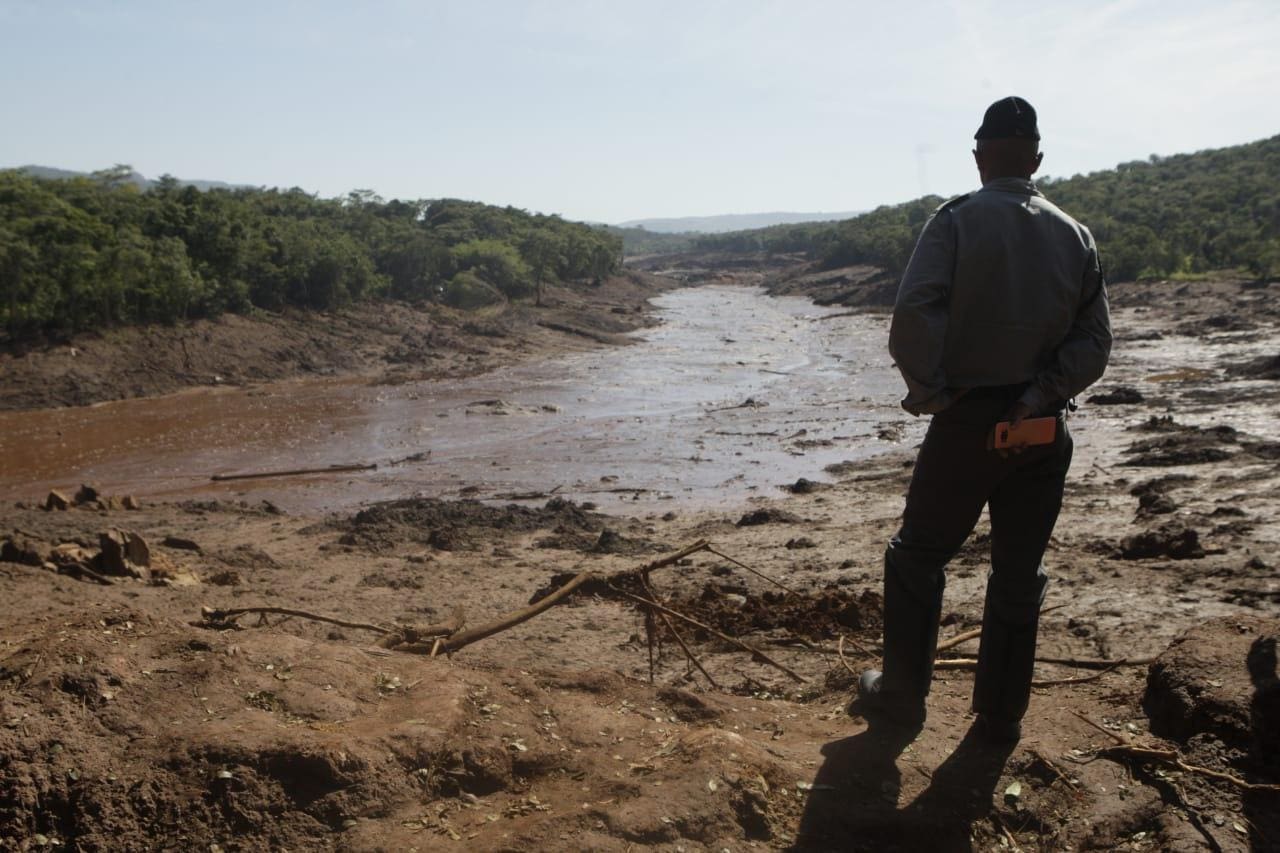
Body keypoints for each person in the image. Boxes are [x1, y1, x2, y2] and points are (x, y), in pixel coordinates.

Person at [857, 96, 1113, 743]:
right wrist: (1038, 396)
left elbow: (914, 314)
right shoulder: (1074, 233)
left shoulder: (957, 221)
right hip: (1044, 427)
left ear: (978, 159)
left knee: (918, 556)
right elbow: (1094, 344)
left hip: (969, 420)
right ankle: (1000, 712)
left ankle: (901, 699)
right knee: (1018, 571)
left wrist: (935, 394)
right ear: (1037, 160)